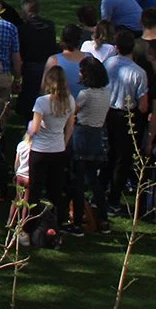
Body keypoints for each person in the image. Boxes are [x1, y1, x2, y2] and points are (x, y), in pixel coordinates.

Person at [26, 65, 76, 245]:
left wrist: (29, 130)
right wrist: (63, 141)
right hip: (58, 149)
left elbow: (36, 128)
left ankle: (31, 227)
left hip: (40, 150)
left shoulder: (42, 102)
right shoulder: (69, 100)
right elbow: (70, 126)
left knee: (35, 191)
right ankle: (57, 226)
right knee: (56, 190)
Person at [70, 56, 111, 234]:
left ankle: (78, 221)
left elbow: (73, 113)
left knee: (78, 181)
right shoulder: (105, 93)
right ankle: (103, 219)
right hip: (96, 135)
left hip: (82, 134)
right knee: (93, 179)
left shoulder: (84, 95)